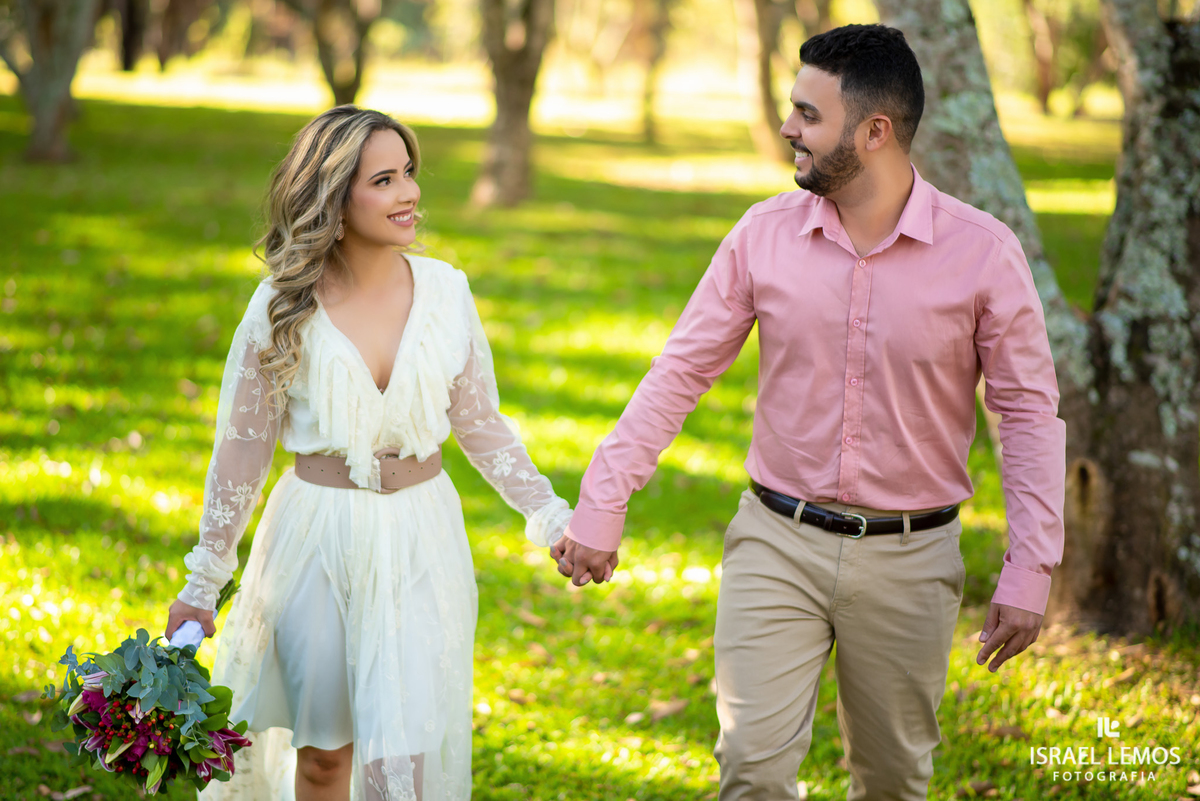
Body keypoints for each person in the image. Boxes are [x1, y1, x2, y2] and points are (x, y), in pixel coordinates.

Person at [552, 24, 1065, 801]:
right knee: (752, 771)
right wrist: (602, 500)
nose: (789, 126)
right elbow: (679, 374)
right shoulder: (763, 235)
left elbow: (1027, 414)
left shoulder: (983, 254)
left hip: (911, 556)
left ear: (875, 131)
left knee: (892, 783)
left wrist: (1031, 564)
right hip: (775, 541)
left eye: (807, 113)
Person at [164, 106, 574, 801]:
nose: (409, 192)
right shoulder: (278, 306)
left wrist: (550, 516)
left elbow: (480, 423)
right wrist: (204, 582)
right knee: (323, 753)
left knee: (399, 761)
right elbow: (240, 453)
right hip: (315, 539)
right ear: (333, 197)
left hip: (420, 536)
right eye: (384, 180)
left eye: (408, 172)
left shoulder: (447, 290)